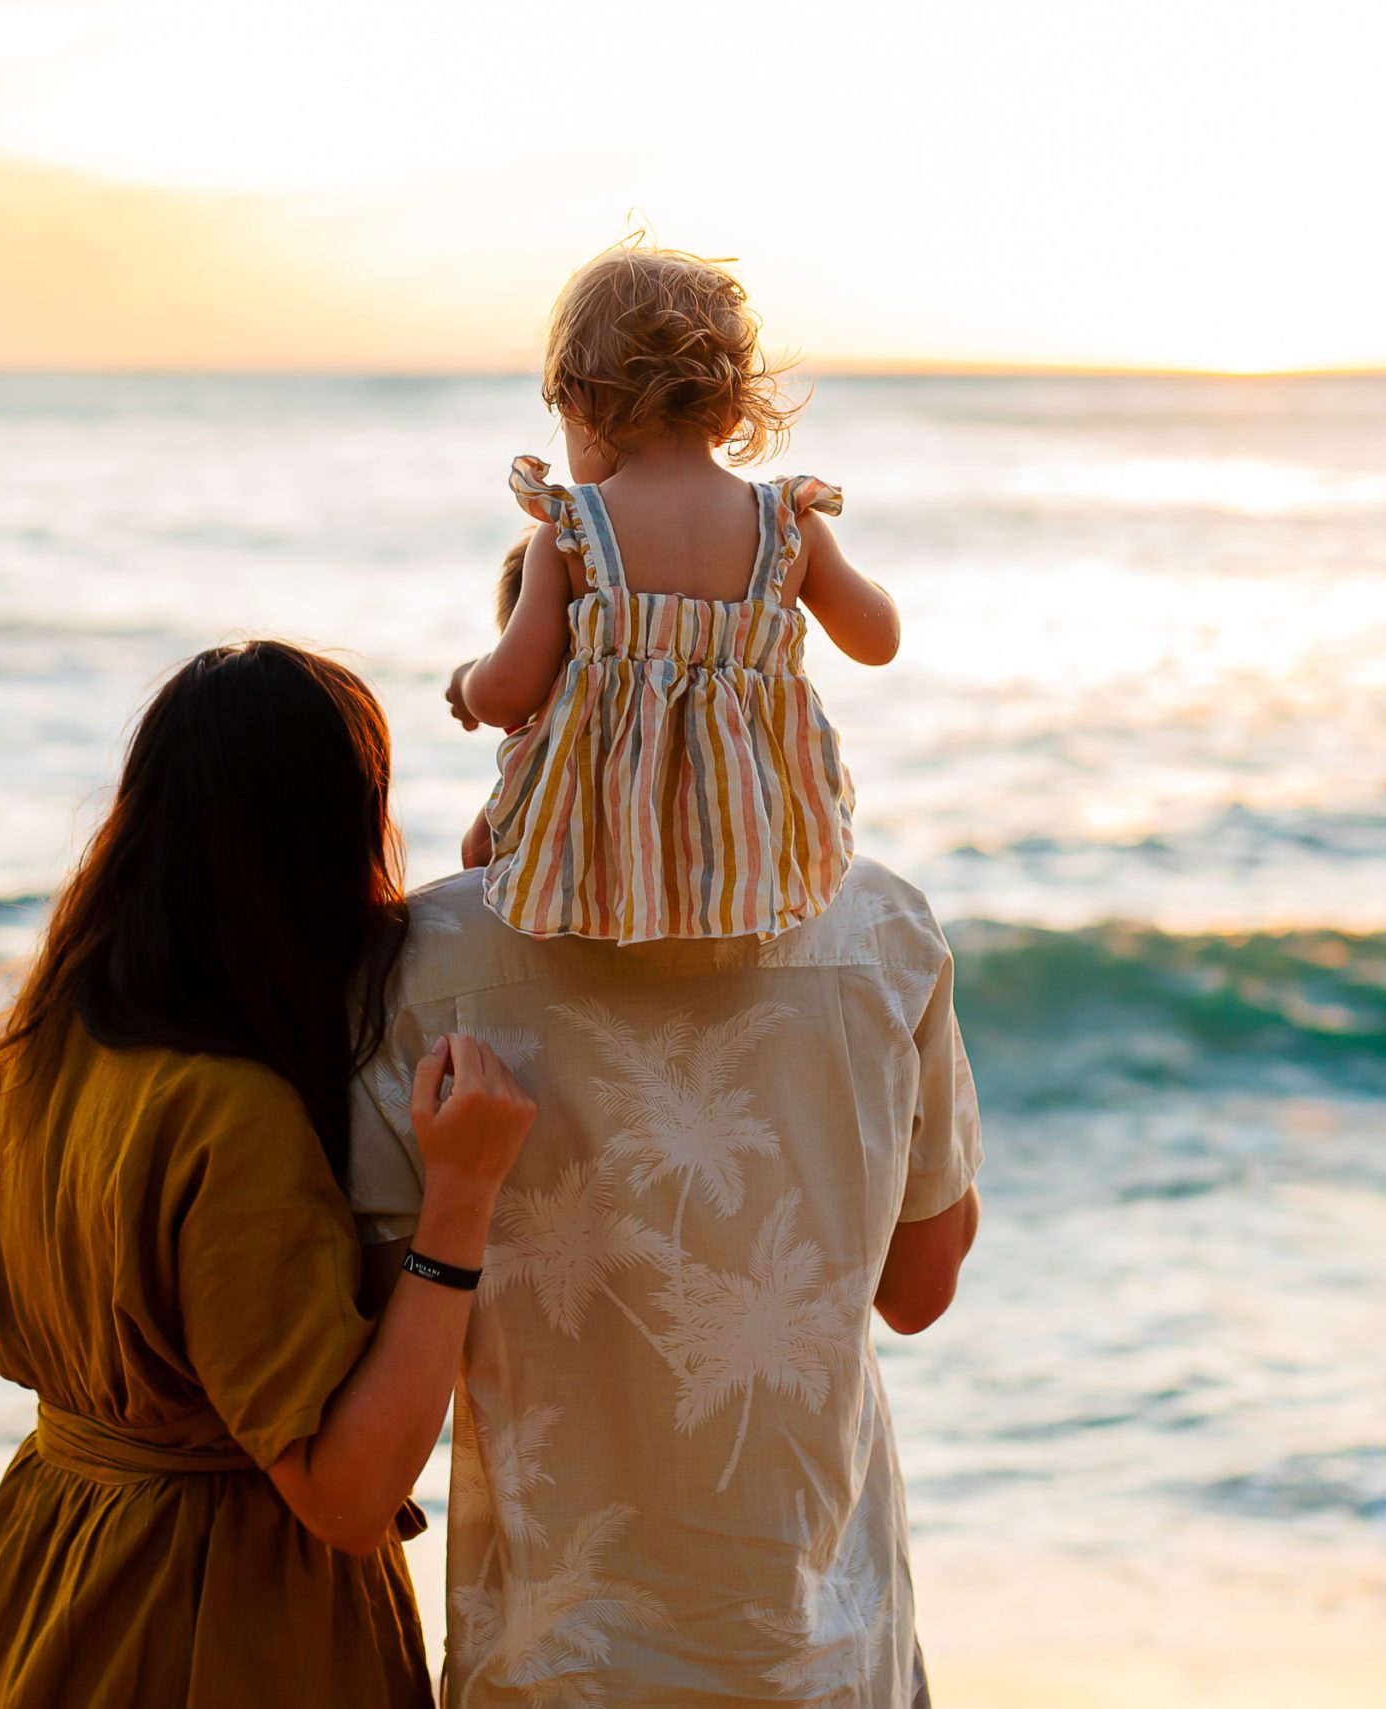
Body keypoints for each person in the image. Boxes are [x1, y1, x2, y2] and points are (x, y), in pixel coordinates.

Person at [352, 243, 981, 1706]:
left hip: (557, 1661)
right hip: (817, 1645)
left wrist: (470, 696)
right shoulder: (884, 936)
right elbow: (923, 1290)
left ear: (579, 397)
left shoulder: (433, 959)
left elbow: (371, 1310)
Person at [0, 640, 537, 1709]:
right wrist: (459, 1202)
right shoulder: (232, 1115)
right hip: (219, 1612)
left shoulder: (28, 1055)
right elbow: (346, 1495)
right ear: (324, 839)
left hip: (44, 1569)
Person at [443, 240, 901, 943]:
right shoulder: (789, 528)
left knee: (490, 844)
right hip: (755, 862)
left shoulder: (571, 534)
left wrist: (467, 683)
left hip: (604, 872)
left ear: (582, 399)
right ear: (729, 412)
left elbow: (510, 692)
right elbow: (878, 641)